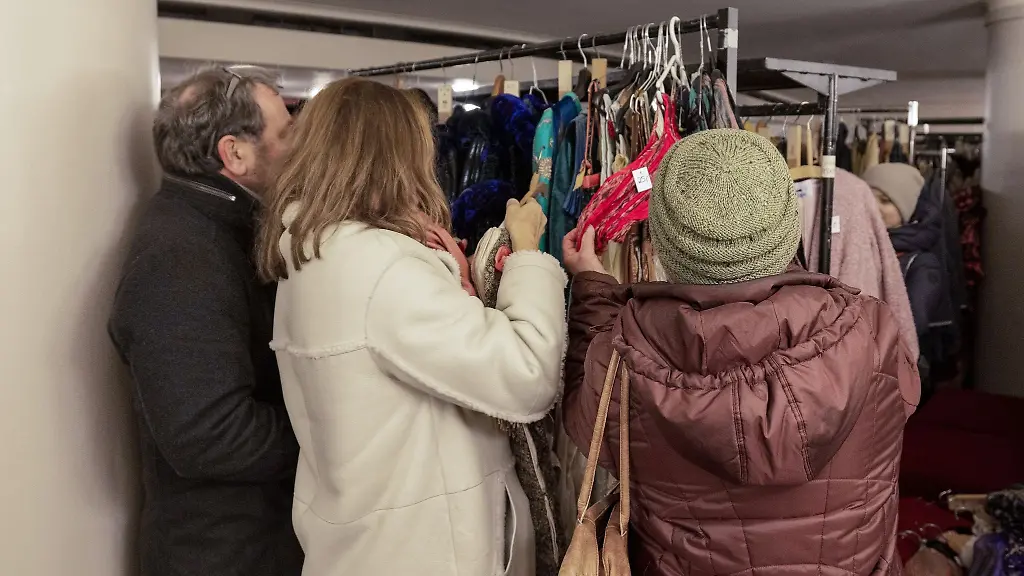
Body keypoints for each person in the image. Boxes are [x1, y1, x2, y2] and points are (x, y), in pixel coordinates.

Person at [560, 129, 921, 575]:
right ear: (787, 227)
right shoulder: (873, 331)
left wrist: (594, 292)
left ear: (661, 242)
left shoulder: (622, 355)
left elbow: (584, 417)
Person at [255, 77, 567, 576]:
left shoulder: (313, 250)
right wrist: (528, 257)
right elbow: (527, 375)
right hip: (425, 551)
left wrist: (454, 273)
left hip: (366, 540)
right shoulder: (380, 268)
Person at [108, 66, 302, 576]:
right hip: (225, 555)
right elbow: (210, 436)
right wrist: (336, 434)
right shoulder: (181, 255)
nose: (299, 146)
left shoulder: (217, 226)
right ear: (234, 153)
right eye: (286, 133)